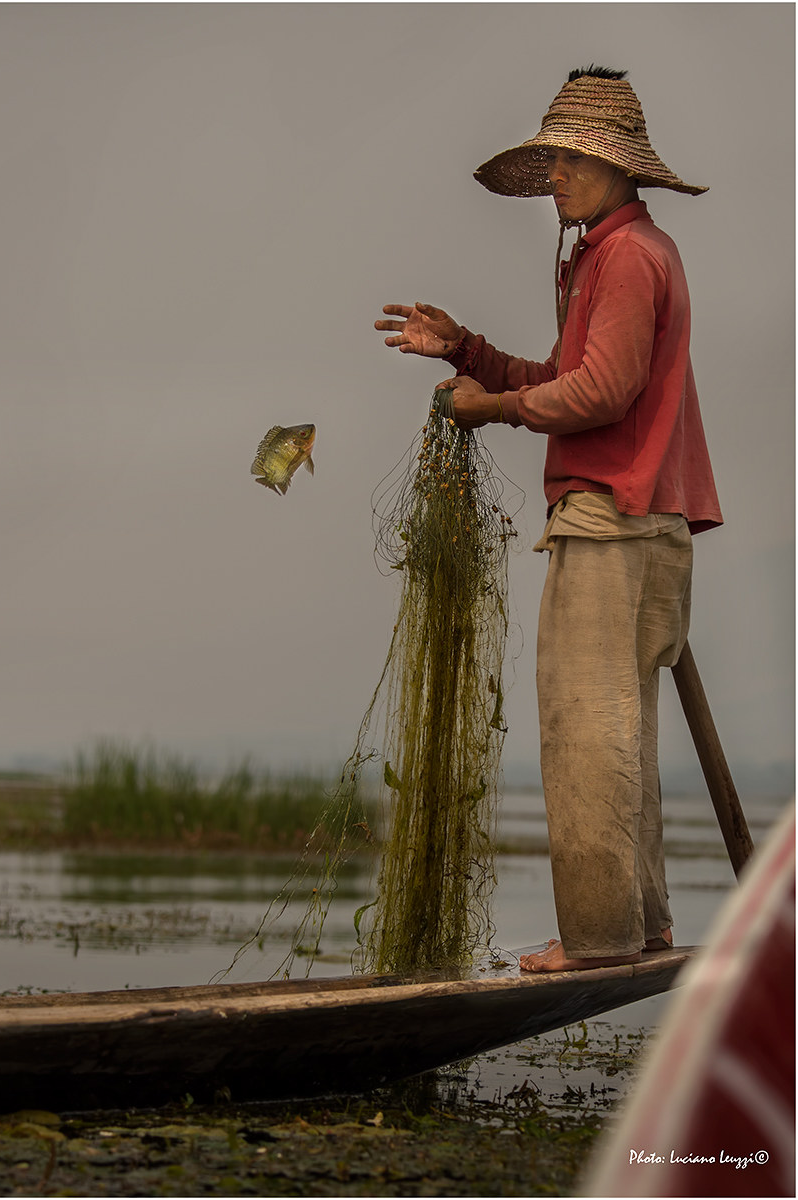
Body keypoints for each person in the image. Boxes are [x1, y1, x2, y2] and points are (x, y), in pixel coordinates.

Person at [375, 66, 722, 973]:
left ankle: (600, 936)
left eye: (572, 158)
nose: (557, 174)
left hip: (610, 520)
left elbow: (600, 394)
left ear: (619, 169)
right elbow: (560, 382)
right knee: (625, 731)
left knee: (584, 729)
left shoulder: (628, 258)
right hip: (647, 522)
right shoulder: (617, 256)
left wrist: (483, 409)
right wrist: (465, 352)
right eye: (553, 158)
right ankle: (638, 925)